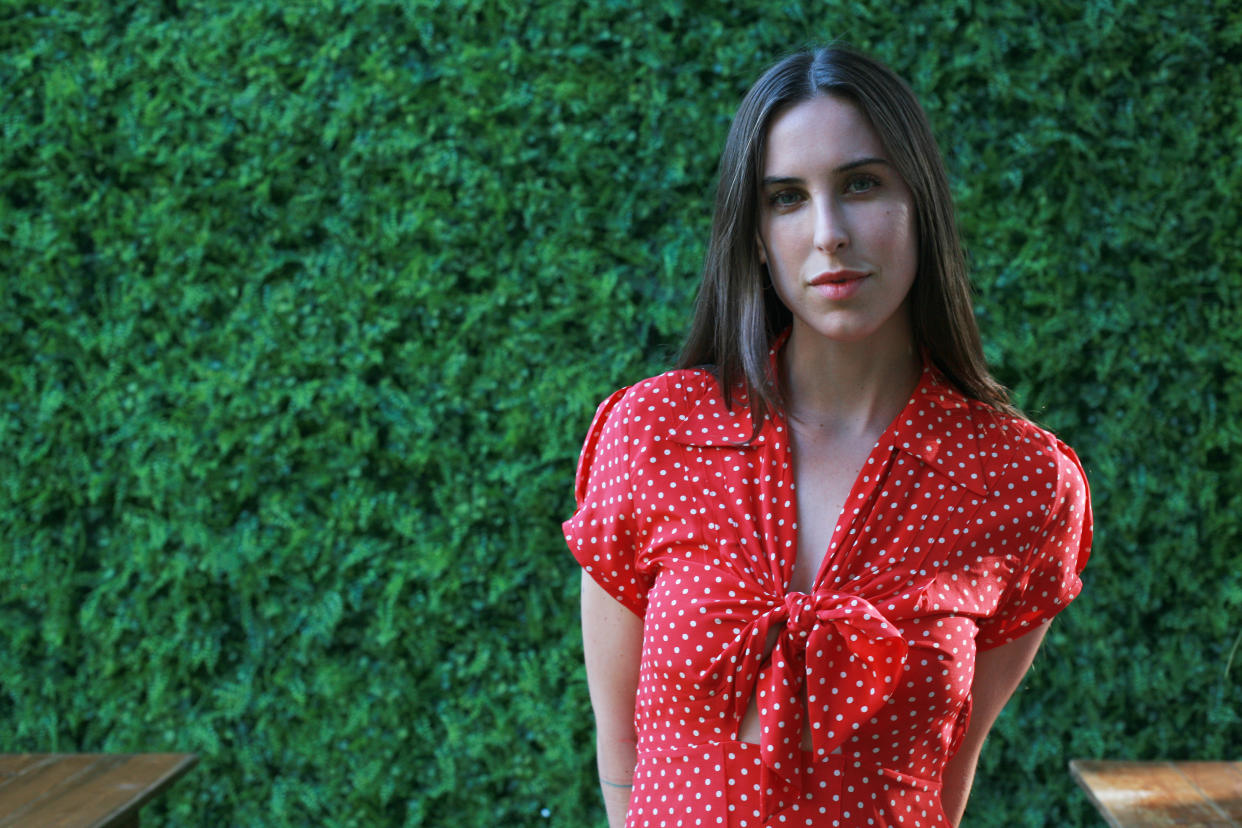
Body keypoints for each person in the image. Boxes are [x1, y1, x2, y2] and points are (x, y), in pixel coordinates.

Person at [563, 44, 1092, 828]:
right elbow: (621, 751)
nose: (829, 232)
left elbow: (948, 777)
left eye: (862, 184)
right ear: (753, 235)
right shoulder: (653, 435)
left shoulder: (1024, 482)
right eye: (785, 198)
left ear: (922, 203)